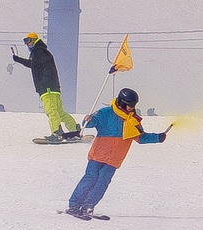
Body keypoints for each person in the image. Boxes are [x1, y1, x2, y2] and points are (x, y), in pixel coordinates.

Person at [67, 87, 166, 219]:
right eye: (130, 105)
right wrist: (88, 120)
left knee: (103, 181)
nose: (132, 107)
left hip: (114, 159)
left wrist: (157, 138)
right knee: (90, 178)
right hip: (98, 155)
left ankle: (88, 206)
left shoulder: (133, 120)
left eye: (134, 105)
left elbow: (140, 138)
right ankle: (74, 205)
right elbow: (90, 123)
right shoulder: (106, 112)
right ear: (122, 102)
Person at [13, 33, 81, 138]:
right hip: (54, 87)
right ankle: (74, 130)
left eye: (28, 41)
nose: (27, 44)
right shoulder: (42, 52)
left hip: (47, 88)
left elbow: (45, 68)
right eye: (25, 42)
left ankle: (57, 133)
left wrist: (44, 83)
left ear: (35, 40)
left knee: (51, 111)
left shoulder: (38, 52)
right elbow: (34, 65)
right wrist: (18, 59)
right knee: (59, 112)